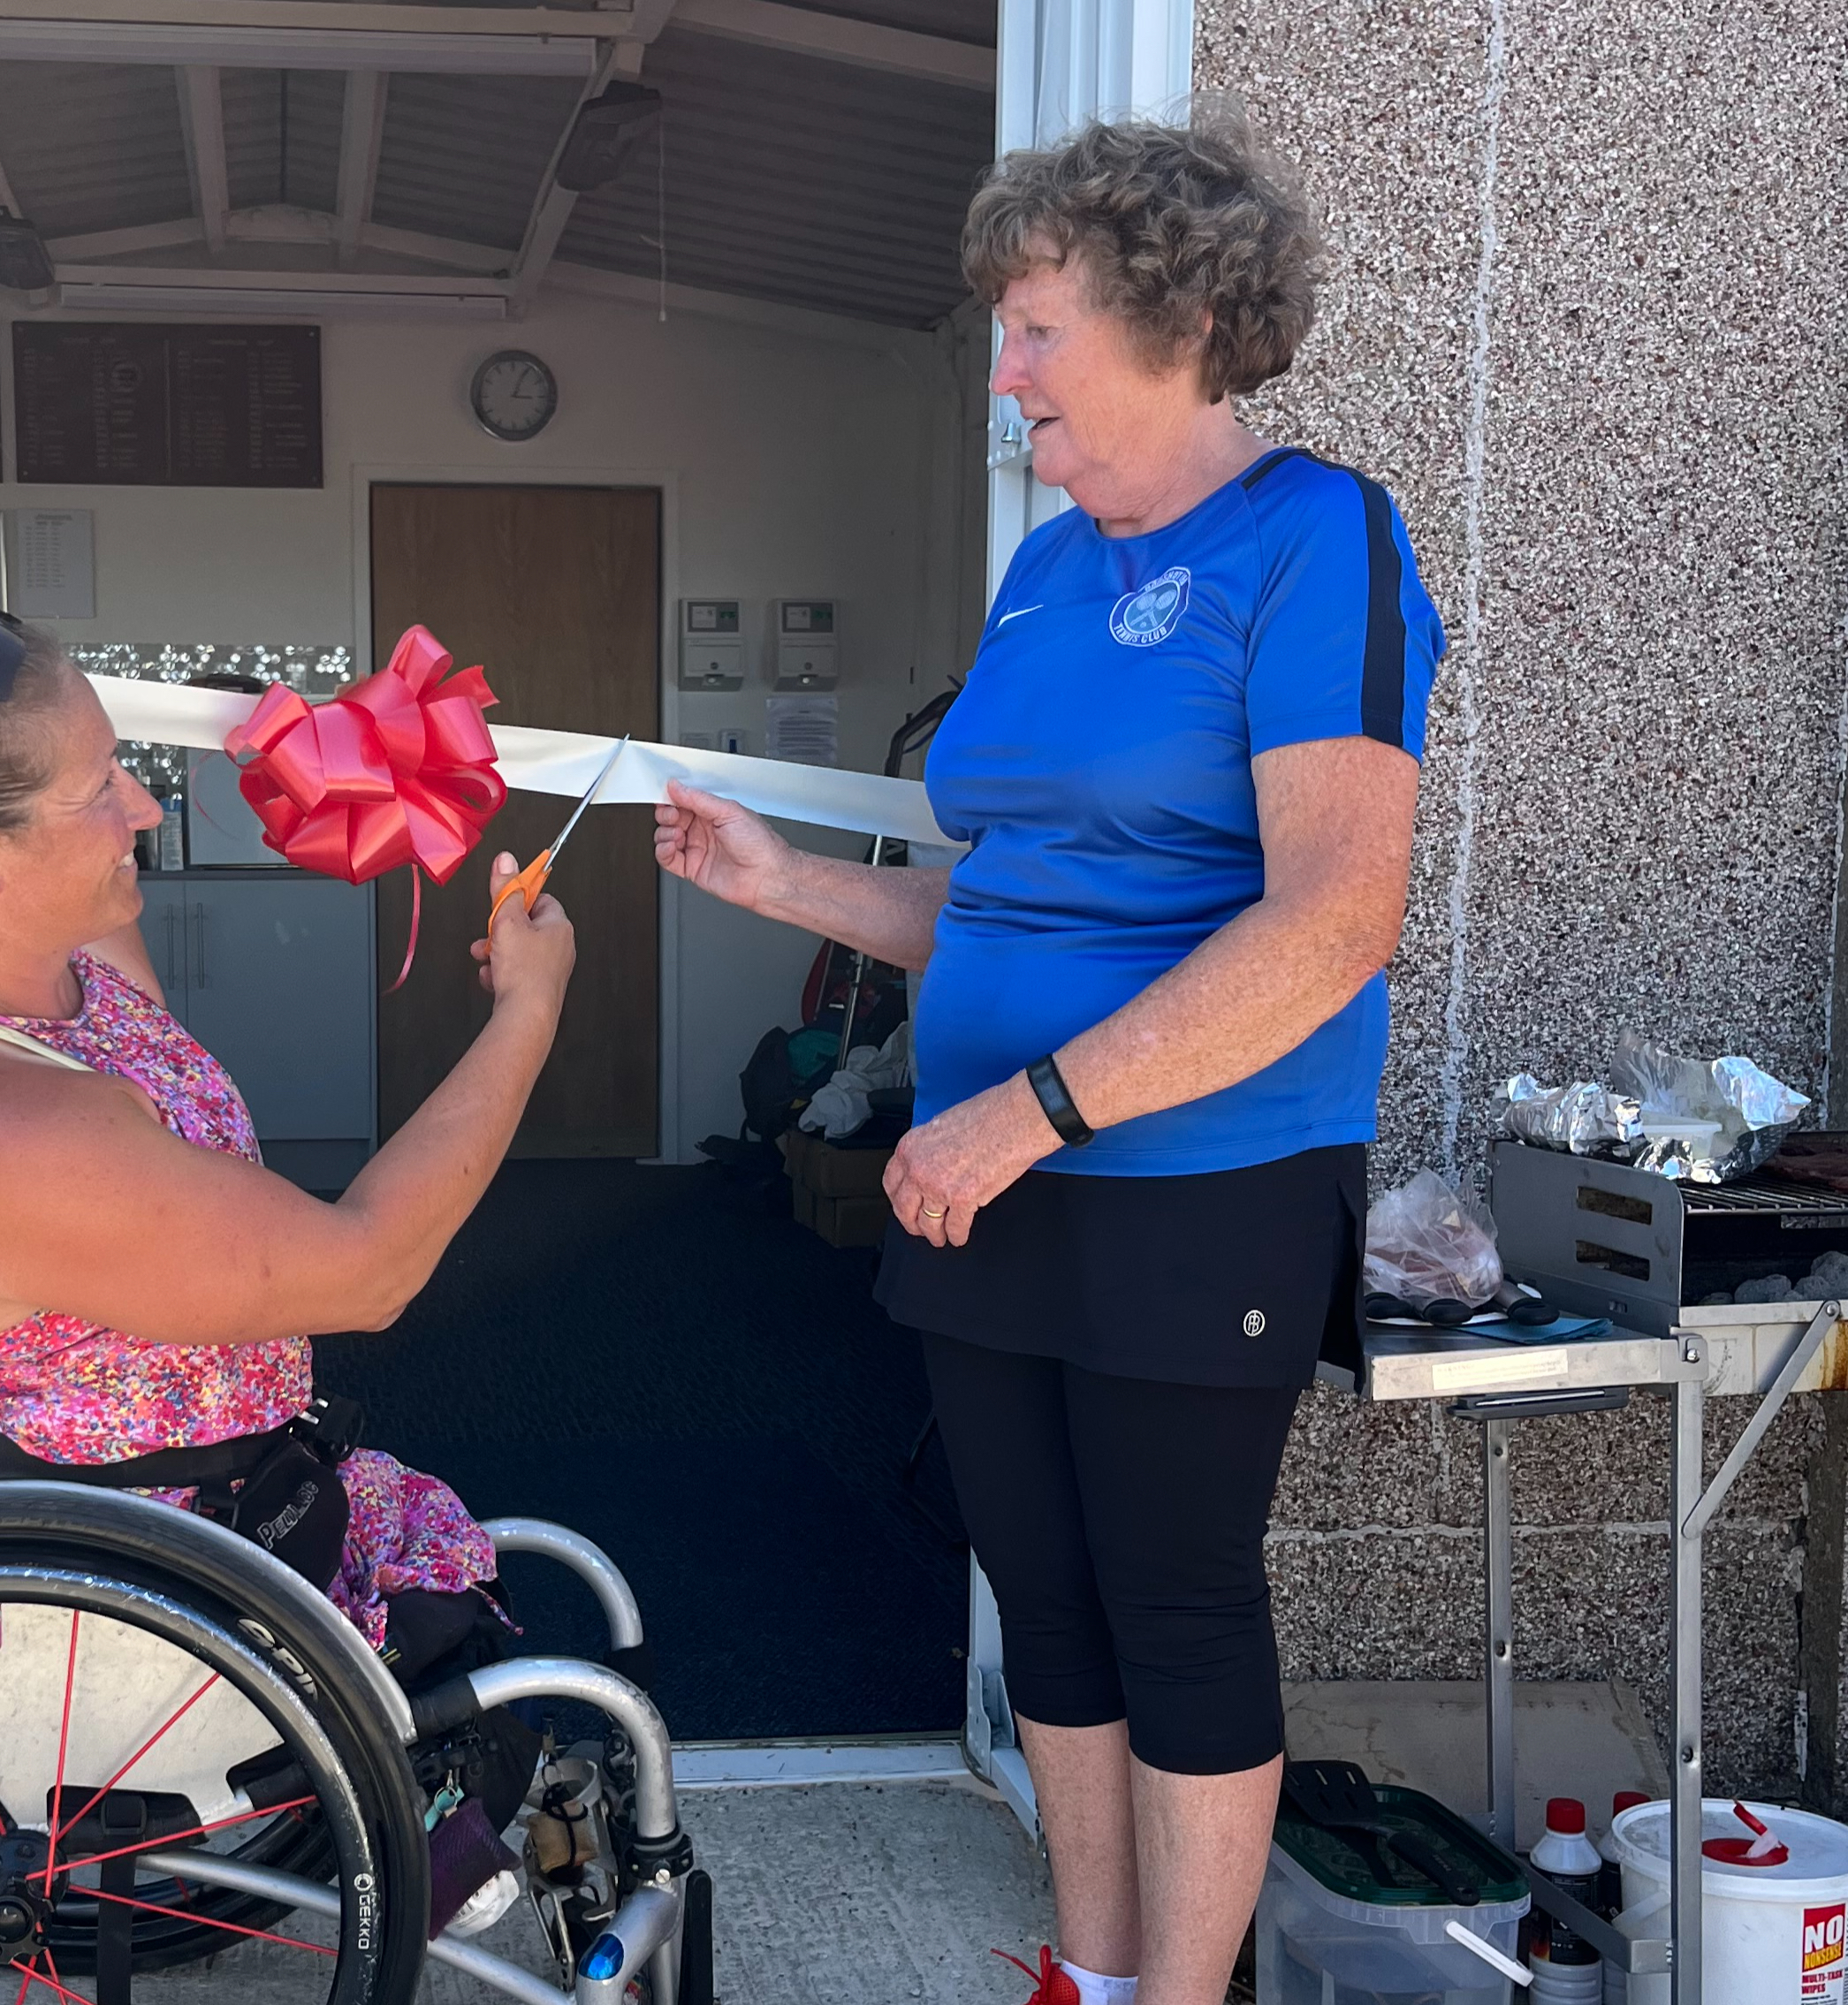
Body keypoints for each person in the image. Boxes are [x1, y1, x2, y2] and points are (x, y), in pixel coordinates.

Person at [655, 122, 1442, 2005]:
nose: (1002, 375)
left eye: (1031, 331)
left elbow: (1335, 917)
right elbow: (1008, 912)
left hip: (1197, 1178)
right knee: (1050, 1606)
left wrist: (1032, 1110)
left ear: (1174, 320)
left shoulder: (1316, 535)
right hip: (991, 1172)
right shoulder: (1047, 571)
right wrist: (793, 886)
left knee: (1173, 1605)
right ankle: (1087, 1979)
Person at [0, 600, 575, 1682]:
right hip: (163, 1591)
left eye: (125, 762)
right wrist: (530, 1015)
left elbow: (32, 777)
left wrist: (306, 749)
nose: (143, 804)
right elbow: (369, 1270)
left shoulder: (18, 958)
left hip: (237, 1499)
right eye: (102, 789)